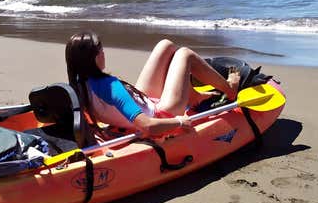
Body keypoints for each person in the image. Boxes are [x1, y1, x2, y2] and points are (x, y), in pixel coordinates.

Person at [65, 32, 241, 136]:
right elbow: (147, 126)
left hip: (143, 103)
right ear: (95, 57)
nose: (104, 53)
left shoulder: (78, 85)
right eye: (101, 51)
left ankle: (193, 96)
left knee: (166, 45)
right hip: (161, 114)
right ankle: (230, 89)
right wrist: (179, 122)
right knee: (185, 54)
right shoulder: (110, 86)